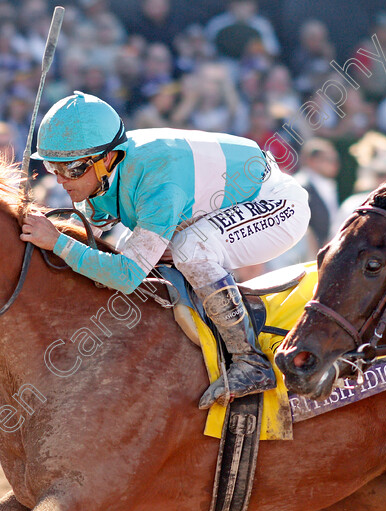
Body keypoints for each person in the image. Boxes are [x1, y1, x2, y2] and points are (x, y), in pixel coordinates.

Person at [21, 92, 310, 409]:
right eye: (52, 166)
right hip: (217, 207)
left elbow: (127, 276)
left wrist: (57, 242)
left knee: (189, 248)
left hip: (277, 205)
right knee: (124, 248)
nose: (61, 180)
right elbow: (96, 245)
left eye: (72, 169)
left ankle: (250, 361)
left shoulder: (157, 181)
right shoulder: (101, 176)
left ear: (107, 159)